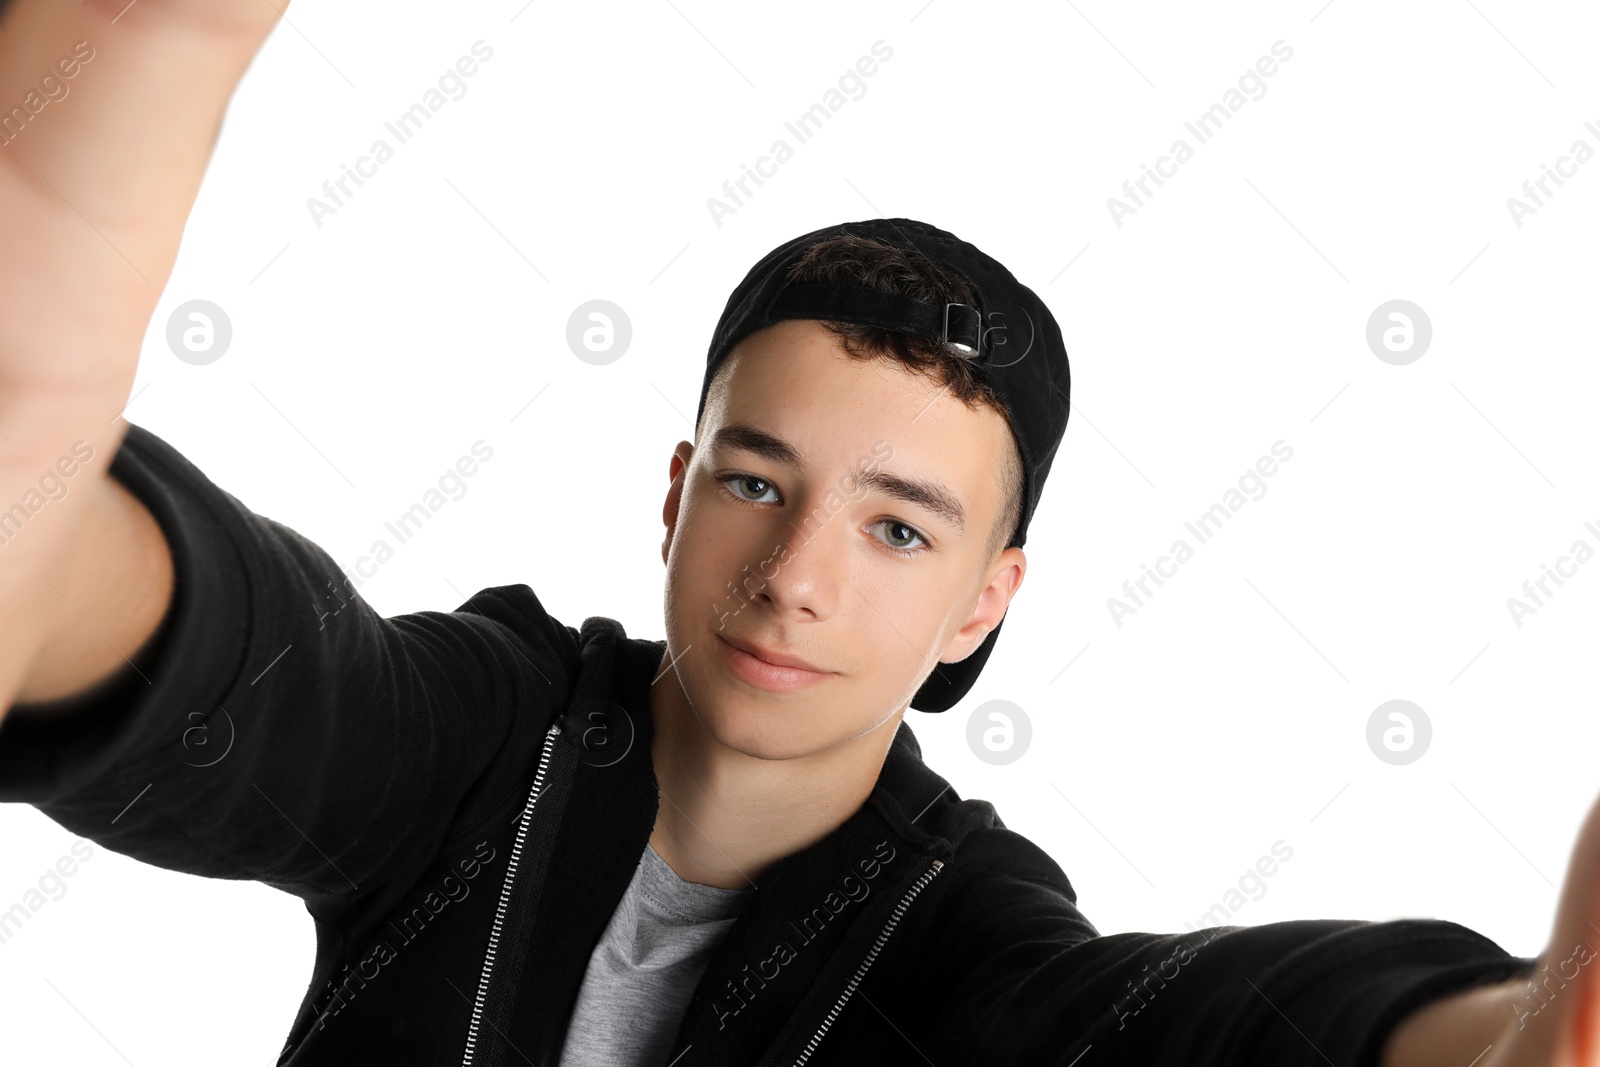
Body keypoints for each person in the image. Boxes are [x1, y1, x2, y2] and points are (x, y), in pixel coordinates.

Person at [1, 3, 1596, 1065]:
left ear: (987, 603)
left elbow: (1166, 1032)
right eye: (759, 483)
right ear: (677, 492)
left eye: (902, 533)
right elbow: (256, 681)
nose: (797, 577)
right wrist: (33, 468)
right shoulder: (487, 750)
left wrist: (1510, 1036)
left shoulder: (953, 932)